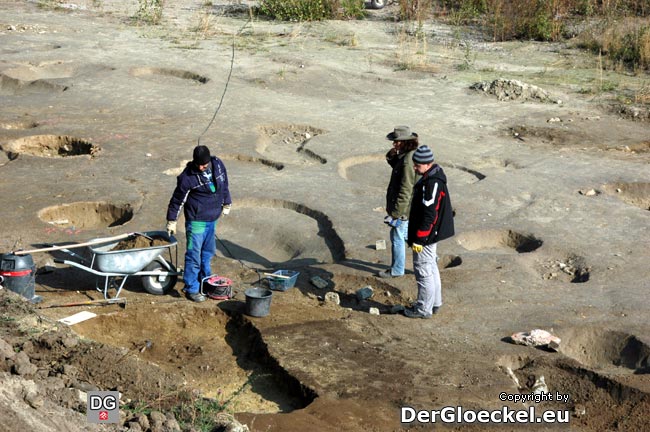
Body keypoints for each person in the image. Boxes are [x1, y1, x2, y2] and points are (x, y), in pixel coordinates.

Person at [166, 145, 232, 302]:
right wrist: (172, 220)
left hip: (212, 220)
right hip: (197, 222)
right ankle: (192, 288)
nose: (202, 167)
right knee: (194, 256)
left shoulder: (217, 164)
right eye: (199, 165)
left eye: (204, 164)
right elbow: (177, 200)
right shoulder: (187, 178)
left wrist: (227, 202)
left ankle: (205, 280)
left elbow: (224, 184)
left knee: (207, 253)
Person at [404, 145, 454, 318]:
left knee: (423, 270)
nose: (415, 168)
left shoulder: (432, 183)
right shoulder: (433, 176)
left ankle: (423, 309)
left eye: (417, 165)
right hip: (432, 234)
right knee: (431, 267)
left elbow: (429, 214)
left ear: (427, 164)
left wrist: (419, 238)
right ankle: (434, 303)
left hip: (426, 236)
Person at [377, 126, 421, 279]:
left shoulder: (408, 160)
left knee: (397, 237)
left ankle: (397, 269)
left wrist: (397, 213)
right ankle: (429, 259)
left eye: (396, 142)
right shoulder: (408, 156)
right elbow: (399, 170)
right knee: (409, 235)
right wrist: (392, 156)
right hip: (409, 208)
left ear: (404, 142)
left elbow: (406, 188)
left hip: (404, 209)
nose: (394, 144)